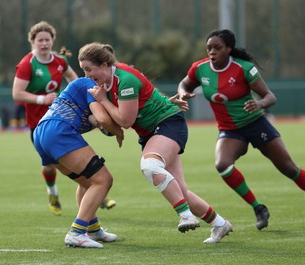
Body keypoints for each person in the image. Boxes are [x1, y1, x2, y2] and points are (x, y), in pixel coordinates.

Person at [79, 42, 233, 244]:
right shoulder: (104, 85)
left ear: (105, 64)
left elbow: (125, 121)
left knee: (150, 166)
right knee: (180, 190)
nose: (86, 76)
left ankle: (185, 215)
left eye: (89, 69)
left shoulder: (124, 79)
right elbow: (147, 95)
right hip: (151, 133)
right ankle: (220, 224)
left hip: (168, 124)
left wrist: (103, 102)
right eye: (83, 71)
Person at [176, 29, 305, 231]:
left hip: (256, 124)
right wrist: (183, 92)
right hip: (230, 130)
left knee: (290, 169)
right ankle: (258, 207)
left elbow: (270, 96)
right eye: (209, 48)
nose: (212, 52)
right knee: (223, 166)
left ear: (229, 49)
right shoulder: (200, 69)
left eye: (218, 48)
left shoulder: (243, 68)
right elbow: (185, 83)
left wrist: (260, 104)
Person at [12, 21, 116, 216]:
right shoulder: (27, 65)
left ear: (53, 40)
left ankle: (97, 194)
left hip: (62, 121)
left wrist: (83, 98)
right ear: (32, 42)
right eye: (39, 40)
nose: (44, 43)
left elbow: (75, 80)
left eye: (47, 39)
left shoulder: (60, 61)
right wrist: (42, 99)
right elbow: (17, 94)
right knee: (49, 166)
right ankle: (54, 193)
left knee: (69, 164)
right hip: (39, 124)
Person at [33, 77, 124, 248]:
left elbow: (98, 120)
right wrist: (118, 131)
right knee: (103, 180)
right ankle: (77, 232)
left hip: (42, 133)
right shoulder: (90, 85)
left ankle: (93, 229)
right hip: (58, 131)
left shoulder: (87, 91)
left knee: (87, 182)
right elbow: (103, 120)